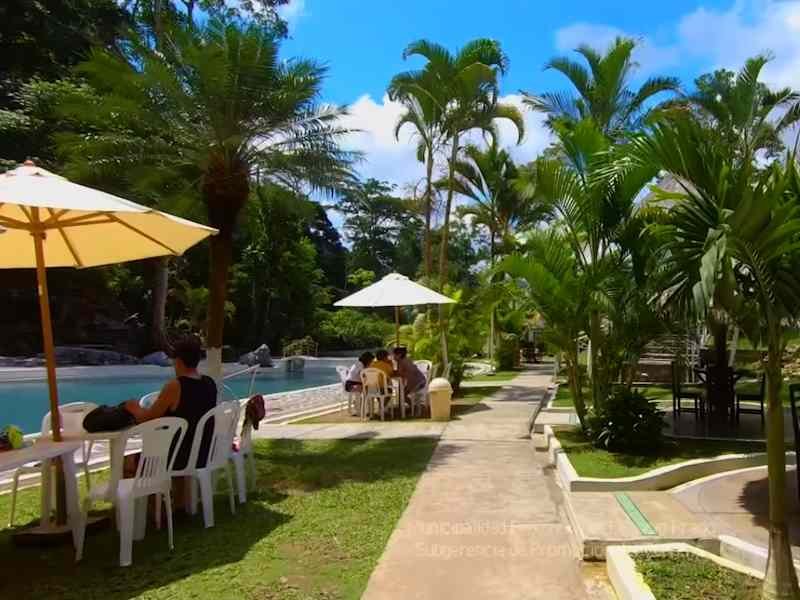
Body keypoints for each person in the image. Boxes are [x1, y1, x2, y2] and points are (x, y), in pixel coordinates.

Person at [124, 335, 217, 506]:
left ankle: (153, 513)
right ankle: (179, 506)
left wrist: (133, 407)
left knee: (129, 462)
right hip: (203, 452)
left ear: (178, 361)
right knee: (173, 447)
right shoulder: (209, 383)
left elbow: (147, 419)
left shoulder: (176, 386)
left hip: (177, 456)